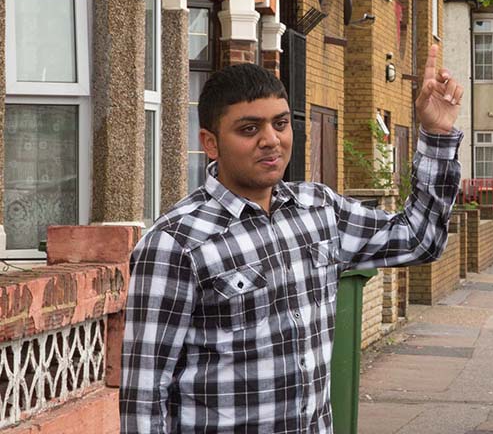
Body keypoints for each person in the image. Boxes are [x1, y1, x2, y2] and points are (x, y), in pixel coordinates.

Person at [120, 47, 464, 433]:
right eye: (249, 129)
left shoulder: (319, 210)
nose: (271, 140)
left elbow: (420, 238)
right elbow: (145, 395)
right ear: (210, 143)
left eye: (280, 124)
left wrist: (437, 136)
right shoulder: (175, 243)